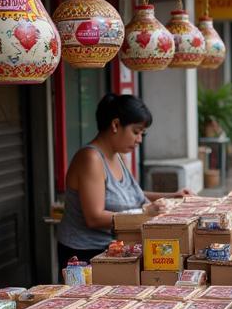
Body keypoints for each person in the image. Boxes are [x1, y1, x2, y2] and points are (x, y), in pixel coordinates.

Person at [56, 94, 187, 274]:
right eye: (136, 131)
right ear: (115, 125)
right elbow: (94, 217)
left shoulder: (118, 156)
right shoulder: (91, 159)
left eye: (142, 133)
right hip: (85, 256)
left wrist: (174, 196)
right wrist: (143, 213)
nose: (139, 139)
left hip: (113, 248)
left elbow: (133, 195)